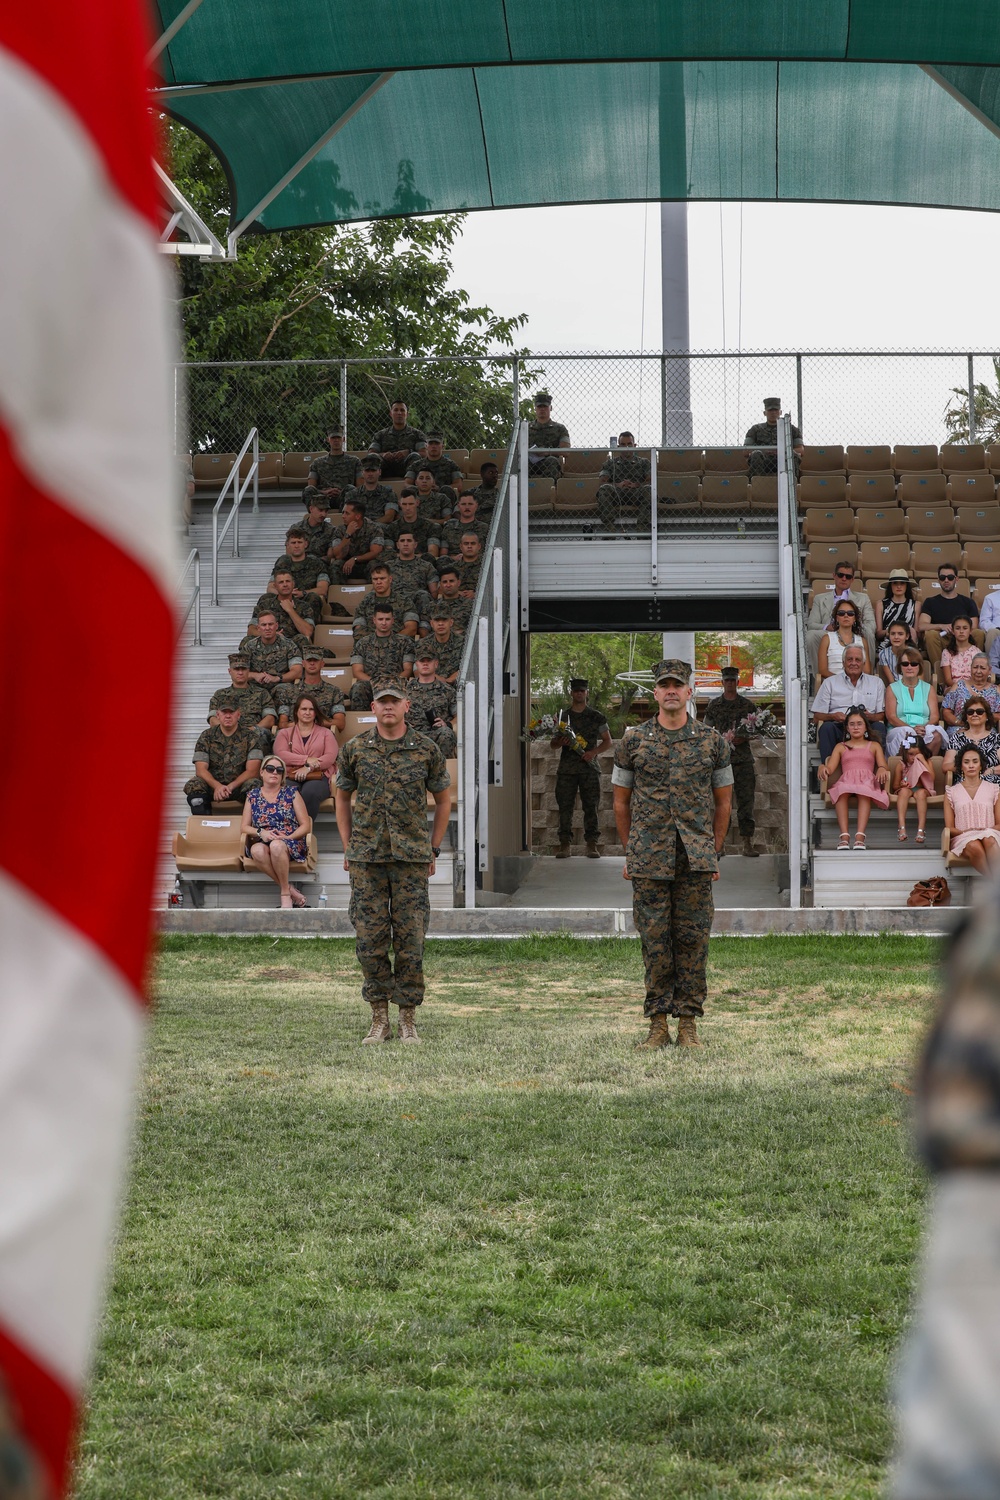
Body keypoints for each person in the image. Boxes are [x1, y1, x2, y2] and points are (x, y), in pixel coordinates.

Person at [612, 659, 732, 1048]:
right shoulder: (633, 741)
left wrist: (713, 850)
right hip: (649, 856)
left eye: (677, 685)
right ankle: (658, 1024)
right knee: (654, 939)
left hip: (694, 857)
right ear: (655, 694)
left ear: (689, 692)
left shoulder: (712, 741)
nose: (670, 691)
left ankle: (689, 1025)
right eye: (664, 685)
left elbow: (724, 802)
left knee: (693, 939)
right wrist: (632, 852)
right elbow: (620, 803)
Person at [336, 679, 452, 1044]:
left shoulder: (426, 749)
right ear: (372, 708)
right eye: (382, 702)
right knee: (369, 941)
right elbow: (342, 798)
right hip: (367, 859)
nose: (388, 707)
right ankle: (379, 1018)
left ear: (407, 706)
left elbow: (444, 800)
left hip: (411, 859)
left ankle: (408, 1019)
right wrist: (348, 846)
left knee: (410, 940)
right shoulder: (354, 749)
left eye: (395, 702)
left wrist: (432, 848)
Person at [703, 665, 760, 857]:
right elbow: (706, 731)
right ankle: (720, 845)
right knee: (722, 804)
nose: (729, 683)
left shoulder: (747, 705)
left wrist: (744, 737)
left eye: (732, 680)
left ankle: (748, 843)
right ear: (722, 682)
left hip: (743, 760)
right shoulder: (714, 705)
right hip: (722, 762)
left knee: (746, 803)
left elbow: (757, 729)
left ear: (737, 682)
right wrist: (719, 740)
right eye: (726, 680)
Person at [551, 678, 612, 858]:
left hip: (589, 769)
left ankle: (592, 845)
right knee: (564, 807)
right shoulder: (562, 717)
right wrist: (559, 741)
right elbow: (553, 745)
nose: (579, 693)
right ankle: (564, 845)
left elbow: (607, 741)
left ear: (587, 693)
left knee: (591, 807)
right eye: (576, 690)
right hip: (567, 770)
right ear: (571, 693)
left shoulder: (596, 716)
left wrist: (593, 752)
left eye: (582, 691)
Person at [241, 756, 311, 909]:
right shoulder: (252, 796)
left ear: (283, 775)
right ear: (261, 772)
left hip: (290, 839)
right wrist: (261, 832)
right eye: (270, 769)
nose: (274, 772)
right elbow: (244, 827)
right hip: (264, 839)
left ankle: (285, 895)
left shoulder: (291, 793)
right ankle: (288, 889)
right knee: (256, 850)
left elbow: (306, 825)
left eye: (279, 770)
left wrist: (288, 837)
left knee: (277, 846)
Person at [818, 707, 890, 850]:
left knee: (864, 793)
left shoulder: (874, 745)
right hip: (847, 780)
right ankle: (844, 836)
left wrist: (882, 768)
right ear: (846, 728)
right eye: (852, 724)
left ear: (866, 727)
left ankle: (860, 836)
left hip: (866, 781)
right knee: (841, 793)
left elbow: (883, 765)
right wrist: (822, 766)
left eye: (859, 724)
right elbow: (831, 767)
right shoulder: (841, 746)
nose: (855, 727)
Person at [185, 699, 263, 814]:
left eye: (231, 712)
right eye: (224, 712)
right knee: (194, 784)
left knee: (255, 785)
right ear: (218, 715)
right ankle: (203, 825)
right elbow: (201, 770)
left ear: (238, 714)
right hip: (213, 787)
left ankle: (251, 828)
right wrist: (217, 786)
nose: (227, 716)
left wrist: (230, 787)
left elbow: (253, 771)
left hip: (239, 787)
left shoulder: (251, 737)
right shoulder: (206, 736)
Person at [273, 692, 339, 821]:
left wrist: (308, 767)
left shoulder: (326, 733)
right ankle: (285, 830)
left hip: (319, 776)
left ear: (315, 713)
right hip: (291, 775)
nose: (307, 712)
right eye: (304, 709)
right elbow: (280, 754)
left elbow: (330, 757)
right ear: (296, 712)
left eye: (311, 709)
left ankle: (303, 832)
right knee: (288, 792)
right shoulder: (284, 733)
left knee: (310, 792)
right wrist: (306, 759)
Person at [811, 644, 886, 756]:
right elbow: (817, 717)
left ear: (863, 664)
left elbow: (881, 715)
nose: (853, 663)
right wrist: (833, 716)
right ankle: (829, 770)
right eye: (849, 659)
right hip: (839, 726)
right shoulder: (829, 683)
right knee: (826, 728)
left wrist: (869, 717)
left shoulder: (876, 683)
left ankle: (878, 769)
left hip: (866, 727)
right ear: (843, 663)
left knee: (879, 727)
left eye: (858, 660)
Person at [805, 562, 876, 676]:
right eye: (840, 575)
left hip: (854, 630)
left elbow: (871, 625)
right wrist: (827, 627)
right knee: (810, 635)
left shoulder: (862, 598)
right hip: (829, 632)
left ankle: (868, 674)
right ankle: (819, 676)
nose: (844, 578)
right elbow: (811, 624)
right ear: (834, 575)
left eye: (848, 576)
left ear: (852, 579)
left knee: (868, 632)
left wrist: (853, 623)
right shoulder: (820, 598)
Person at [944, 745, 1000, 874]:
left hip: (990, 833)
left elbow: (999, 824)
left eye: (975, 761)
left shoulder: (995, 789)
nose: (971, 765)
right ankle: (995, 885)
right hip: (963, 837)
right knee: (973, 844)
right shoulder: (951, 792)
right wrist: (967, 831)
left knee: (989, 839)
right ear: (961, 765)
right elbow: (949, 828)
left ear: (981, 765)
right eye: (966, 762)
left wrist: (986, 830)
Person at [918, 563, 983, 671]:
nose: (946, 580)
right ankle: (940, 673)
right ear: (938, 580)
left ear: (956, 579)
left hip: (963, 637)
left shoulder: (968, 602)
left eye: (950, 577)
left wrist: (958, 629)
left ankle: (975, 668)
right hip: (943, 637)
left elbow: (974, 625)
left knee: (979, 633)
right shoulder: (930, 602)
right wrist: (941, 626)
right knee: (930, 635)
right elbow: (921, 626)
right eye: (943, 578)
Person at [350, 604, 414, 708]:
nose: (384, 623)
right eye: (380, 619)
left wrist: (391, 682)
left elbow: (408, 669)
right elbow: (357, 671)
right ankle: (362, 722)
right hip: (371, 684)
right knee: (358, 687)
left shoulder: (404, 642)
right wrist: (375, 682)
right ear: (374, 620)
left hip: (396, 684)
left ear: (393, 620)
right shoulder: (362, 643)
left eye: (387, 619)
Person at [886, 653, 947, 755]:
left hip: (923, 728)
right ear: (900, 667)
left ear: (919, 667)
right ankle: (907, 767)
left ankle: (923, 764)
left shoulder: (929, 688)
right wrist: (911, 729)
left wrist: (923, 728)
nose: (909, 667)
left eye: (914, 664)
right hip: (899, 728)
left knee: (936, 735)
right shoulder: (892, 688)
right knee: (906, 733)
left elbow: (934, 716)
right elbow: (891, 717)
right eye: (905, 664)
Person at [275, 646, 346, 733]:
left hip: (320, 735)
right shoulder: (288, 691)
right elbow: (282, 724)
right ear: (303, 663)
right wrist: (303, 723)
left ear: (322, 664)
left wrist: (311, 722)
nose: (312, 663)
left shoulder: (334, 691)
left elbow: (340, 723)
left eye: (315, 660)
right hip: (294, 735)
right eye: (309, 660)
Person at [208, 653, 277, 741]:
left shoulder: (261, 693)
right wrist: (231, 731)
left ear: (248, 671)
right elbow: (213, 720)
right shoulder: (220, 694)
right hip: (227, 735)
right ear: (230, 671)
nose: (240, 673)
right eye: (236, 669)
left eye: (243, 669)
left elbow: (270, 719)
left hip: (253, 736)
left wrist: (252, 729)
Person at [406, 642, 457, 755]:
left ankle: (444, 770)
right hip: (412, 734)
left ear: (436, 664)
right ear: (416, 664)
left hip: (437, 734)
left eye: (428, 661)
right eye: (421, 661)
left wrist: (447, 724)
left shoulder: (447, 690)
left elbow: (459, 716)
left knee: (447, 733)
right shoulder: (405, 689)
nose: (425, 664)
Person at [251, 570, 321, 648]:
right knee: (247, 640)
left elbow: (308, 632)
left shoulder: (304, 606)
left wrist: (290, 610)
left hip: (292, 645)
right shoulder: (264, 605)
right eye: (281, 582)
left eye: (287, 581)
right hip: (268, 642)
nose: (285, 585)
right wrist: (272, 634)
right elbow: (251, 630)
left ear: (293, 584)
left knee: (302, 639)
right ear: (275, 586)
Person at [351, 561, 420, 639]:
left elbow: (411, 629)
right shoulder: (365, 603)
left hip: (397, 646)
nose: (379, 582)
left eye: (382, 578)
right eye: (375, 579)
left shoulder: (405, 601)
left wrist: (390, 642)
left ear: (390, 579)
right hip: (371, 647)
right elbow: (359, 629)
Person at [597, 432, 651, 529]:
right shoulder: (610, 463)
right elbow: (602, 481)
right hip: (617, 493)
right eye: (623, 445)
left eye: (629, 444)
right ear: (618, 447)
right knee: (604, 489)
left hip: (636, 493)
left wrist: (636, 485)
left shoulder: (644, 462)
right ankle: (609, 527)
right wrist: (617, 485)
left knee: (649, 489)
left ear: (634, 446)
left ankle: (642, 527)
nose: (626, 447)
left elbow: (651, 480)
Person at [942, 695, 1000, 781]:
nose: (975, 714)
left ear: (987, 716)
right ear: (966, 717)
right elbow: (946, 765)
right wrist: (966, 767)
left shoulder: (996, 739)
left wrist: (991, 770)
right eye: (970, 712)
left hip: (992, 784)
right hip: (965, 783)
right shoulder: (957, 738)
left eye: (980, 712)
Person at [239, 612, 303, 688]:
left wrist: (277, 678)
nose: (267, 628)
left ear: (276, 626)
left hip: (279, 685)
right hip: (256, 688)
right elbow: (239, 672)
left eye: (270, 624)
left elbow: (298, 671)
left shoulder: (289, 645)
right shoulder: (249, 646)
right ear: (258, 628)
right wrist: (255, 675)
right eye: (264, 625)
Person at [328, 497, 385, 582]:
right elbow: (338, 555)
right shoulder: (340, 530)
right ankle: (338, 593)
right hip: (347, 566)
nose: (343, 516)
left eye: (347, 513)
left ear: (358, 516)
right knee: (336, 565)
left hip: (366, 564)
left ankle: (374, 594)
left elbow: (375, 553)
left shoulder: (374, 528)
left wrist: (355, 559)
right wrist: (347, 535)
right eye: (343, 512)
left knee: (375, 565)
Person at [743, 396, 802, 476]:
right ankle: (758, 483)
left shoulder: (791, 429)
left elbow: (800, 450)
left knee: (793, 454)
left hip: (785, 460)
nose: (773, 412)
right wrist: (764, 451)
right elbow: (746, 451)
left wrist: (782, 452)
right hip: (763, 460)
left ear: (780, 412)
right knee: (756, 455)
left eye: (776, 410)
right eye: (770, 410)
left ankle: (792, 484)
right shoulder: (755, 429)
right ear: (765, 413)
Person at [385, 530, 438, 620]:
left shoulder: (426, 566)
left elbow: (434, 593)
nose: (405, 544)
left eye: (409, 541)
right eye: (402, 541)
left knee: (423, 595)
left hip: (418, 604)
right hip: (394, 603)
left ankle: (424, 625)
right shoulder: (387, 567)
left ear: (415, 545)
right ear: (397, 545)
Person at [303, 427, 360, 509]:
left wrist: (341, 492)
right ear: (328, 440)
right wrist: (325, 492)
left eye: (338, 438)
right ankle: (314, 515)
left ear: (343, 439)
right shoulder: (317, 462)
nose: (336, 440)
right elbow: (311, 485)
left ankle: (346, 516)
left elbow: (359, 487)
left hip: (344, 498)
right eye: (333, 438)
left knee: (350, 489)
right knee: (308, 490)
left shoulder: (354, 461)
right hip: (323, 498)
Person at [892, 737, 935, 844]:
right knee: (904, 792)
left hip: (922, 789)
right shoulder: (901, 765)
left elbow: (932, 778)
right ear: (905, 753)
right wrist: (901, 785)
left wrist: (923, 761)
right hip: (907, 789)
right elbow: (895, 786)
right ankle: (901, 826)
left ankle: (921, 829)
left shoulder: (926, 761)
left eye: (917, 754)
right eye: (910, 754)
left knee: (920, 794)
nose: (913, 757)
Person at [269, 526, 330, 602]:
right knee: (266, 597)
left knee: (314, 598)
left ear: (306, 544)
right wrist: (286, 594)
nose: (296, 546)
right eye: (293, 543)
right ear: (288, 545)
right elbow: (270, 588)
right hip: (284, 599)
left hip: (306, 601)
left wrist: (302, 593)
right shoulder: (282, 562)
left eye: (299, 542)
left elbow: (323, 589)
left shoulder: (316, 563)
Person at [368, 400, 426, 478]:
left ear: (407, 414)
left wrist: (408, 452)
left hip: (407, 468)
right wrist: (383, 455)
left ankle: (411, 485)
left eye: (402, 410)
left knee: (415, 456)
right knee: (373, 457)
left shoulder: (417, 434)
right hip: (385, 468)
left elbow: (424, 453)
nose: (399, 413)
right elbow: (371, 453)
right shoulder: (380, 434)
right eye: (396, 410)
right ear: (391, 414)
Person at [817, 599, 871, 679]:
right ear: (837, 618)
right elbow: (822, 670)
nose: (846, 616)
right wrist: (842, 681)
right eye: (841, 613)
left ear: (855, 618)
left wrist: (852, 681)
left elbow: (866, 671)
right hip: (834, 684)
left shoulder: (862, 641)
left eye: (850, 613)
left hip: (857, 684)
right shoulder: (827, 639)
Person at [941, 654, 1000, 725]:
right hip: (960, 728)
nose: (978, 671)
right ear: (970, 668)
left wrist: (980, 722)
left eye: (982, 668)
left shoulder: (996, 690)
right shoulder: (958, 686)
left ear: (989, 670)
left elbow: (998, 715)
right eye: (975, 667)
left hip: (986, 730)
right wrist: (960, 723)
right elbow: (946, 712)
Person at [404, 432, 463, 503]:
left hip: (442, 500)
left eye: (437, 443)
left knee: (447, 489)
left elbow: (458, 485)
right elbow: (406, 484)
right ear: (426, 446)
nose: (433, 446)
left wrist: (439, 488)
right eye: (431, 443)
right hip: (420, 499)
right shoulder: (416, 465)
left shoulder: (452, 465)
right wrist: (422, 488)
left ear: (442, 446)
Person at [342, 455, 398, 525]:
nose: (370, 474)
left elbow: (389, 517)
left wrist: (370, 525)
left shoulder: (389, 494)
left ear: (379, 472)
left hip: (380, 529)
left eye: (373, 470)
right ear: (362, 472)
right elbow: (349, 517)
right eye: (367, 471)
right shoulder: (351, 495)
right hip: (358, 530)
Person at [381, 491, 441, 557]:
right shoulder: (391, 528)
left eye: (411, 504)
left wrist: (408, 557)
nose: (407, 508)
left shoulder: (430, 527)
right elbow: (389, 553)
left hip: (423, 564)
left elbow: (433, 553)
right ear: (399, 504)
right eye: (404, 504)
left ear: (417, 503)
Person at [528, 391, 570, 480]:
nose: (542, 409)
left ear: (550, 408)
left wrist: (548, 452)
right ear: (535, 408)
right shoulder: (526, 428)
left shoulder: (560, 428)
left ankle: (549, 489)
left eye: (545, 406)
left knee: (552, 461)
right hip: (529, 461)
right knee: (520, 462)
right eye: (539, 406)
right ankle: (521, 491)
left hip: (549, 462)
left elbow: (566, 451)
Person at [876, 570, 919, 645]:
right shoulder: (881, 604)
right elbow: (878, 633)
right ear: (891, 586)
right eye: (895, 583)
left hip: (908, 642)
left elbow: (916, 632)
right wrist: (891, 632)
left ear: (906, 586)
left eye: (902, 583)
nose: (899, 586)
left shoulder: (916, 605)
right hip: (888, 642)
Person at [427, 606, 464, 683]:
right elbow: (419, 669)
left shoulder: (463, 643)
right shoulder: (423, 644)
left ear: (451, 622)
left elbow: (468, 668)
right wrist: (441, 680)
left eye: (444, 620)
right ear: (431, 623)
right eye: (437, 620)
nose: (440, 623)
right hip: (430, 686)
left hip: (457, 686)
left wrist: (449, 680)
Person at [940, 615, 978, 689]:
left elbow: (978, 676)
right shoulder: (947, 652)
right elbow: (948, 680)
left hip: (972, 687)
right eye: (957, 628)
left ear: (970, 631)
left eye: (965, 628)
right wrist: (961, 687)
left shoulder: (976, 652)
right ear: (953, 631)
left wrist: (968, 688)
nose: (961, 631)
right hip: (953, 687)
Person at [436, 564, 473, 631]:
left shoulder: (471, 605)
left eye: (451, 581)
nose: (448, 585)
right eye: (444, 582)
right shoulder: (433, 606)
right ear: (440, 585)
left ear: (458, 583)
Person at [877, 621, 913, 688]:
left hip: (912, 687)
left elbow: (918, 678)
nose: (896, 637)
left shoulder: (914, 653)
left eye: (900, 634)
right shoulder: (883, 654)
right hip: (895, 687)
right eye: (893, 634)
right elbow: (891, 681)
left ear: (907, 636)